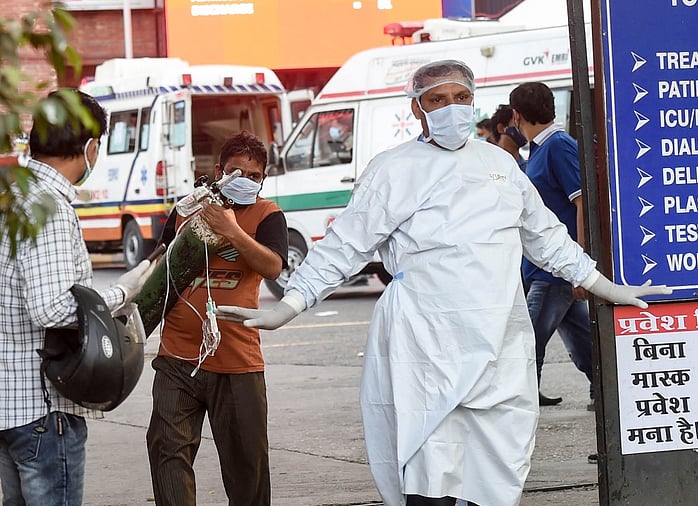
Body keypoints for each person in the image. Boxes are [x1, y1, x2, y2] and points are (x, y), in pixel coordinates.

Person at [217, 60, 669, 506]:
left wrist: (604, 285)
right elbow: (344, 246)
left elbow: (547, 239)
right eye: (438, 99)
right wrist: (290, 305)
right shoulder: (393, 169)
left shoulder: (500, 164)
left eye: (461, 97)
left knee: (494, 478)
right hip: (426, 348)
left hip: (499, 348)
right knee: (431, 478)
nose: (452, 107)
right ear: (417, 108)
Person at [0, 89, 154, 504]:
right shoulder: (47, 207)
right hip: (43, 411)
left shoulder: (12, 196)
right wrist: (123, 292)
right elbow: (50, 308)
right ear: (89, 147)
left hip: (10, 406)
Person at [146, 131, 289, 505]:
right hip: (177, 358)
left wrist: (232, 231)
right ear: (218, 171)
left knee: (247, 471)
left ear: (263, 179)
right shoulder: (185, 210)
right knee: (167, 453)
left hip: (237, 362)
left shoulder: (267, 215)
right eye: (237, 172)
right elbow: (158, 267)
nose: (245, 180)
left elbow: (273, 266)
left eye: (254, 176)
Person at [508, 82, 595, 410]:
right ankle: (604, 388)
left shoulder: (558, 146)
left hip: (556, 267)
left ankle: (520, 403)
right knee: (581, 338)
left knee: (528, 339)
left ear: (517, 115)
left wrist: (580, 264)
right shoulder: (540, 148)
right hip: (545, 266)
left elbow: (582, 202)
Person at [491, 104, 528, 172]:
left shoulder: (527, 168)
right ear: (501, 128)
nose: (523, 127)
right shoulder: (487, 164)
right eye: (517, 122)